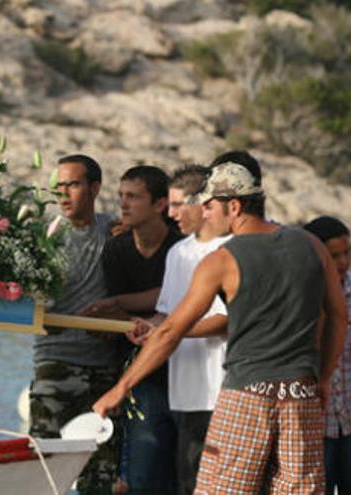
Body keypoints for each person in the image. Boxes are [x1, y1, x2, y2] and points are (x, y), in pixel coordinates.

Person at [94, 161, 347, 495]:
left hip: (246, 395)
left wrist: (121, 387)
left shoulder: (221, 261)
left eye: (210, 205)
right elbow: (338, 316)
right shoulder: (311, 245)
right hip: (301, 394)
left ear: (235, 206)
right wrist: (324, 377)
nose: (206, 212)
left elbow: (170, 332)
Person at [81, 165, 182, 494]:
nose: (123, 204)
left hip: (184, 369)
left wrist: (117, 304)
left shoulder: (180, 248)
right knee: (139, 478)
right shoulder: (117, 249)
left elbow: (175, 295)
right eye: (122, 196)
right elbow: (123, 311)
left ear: (160, 205)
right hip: (140, 371)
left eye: (134, 197)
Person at [130, 165, 231, 495]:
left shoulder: (232, 249)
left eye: (177, 205)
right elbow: (166, 313)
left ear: (203, 204)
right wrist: (151, 328)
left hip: (221, 389)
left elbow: (225, 319)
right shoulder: (178, 252)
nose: (170, 214)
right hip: (182, 392)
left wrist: (172, 332)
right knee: (185, 484)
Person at [30, 154, 126, 494]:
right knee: (42, 471)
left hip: (105, 372)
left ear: (95, 188)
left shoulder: (116, 232)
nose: (63, 193)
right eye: (59, 186)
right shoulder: (46, 236)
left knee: (99, 477)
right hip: (54, 365)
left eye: (72, 184)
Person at [303, 216, 351, 495]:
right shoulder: (301, 296)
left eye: (347, 253)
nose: (343, 262)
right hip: (314, 424)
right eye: (334, 256)